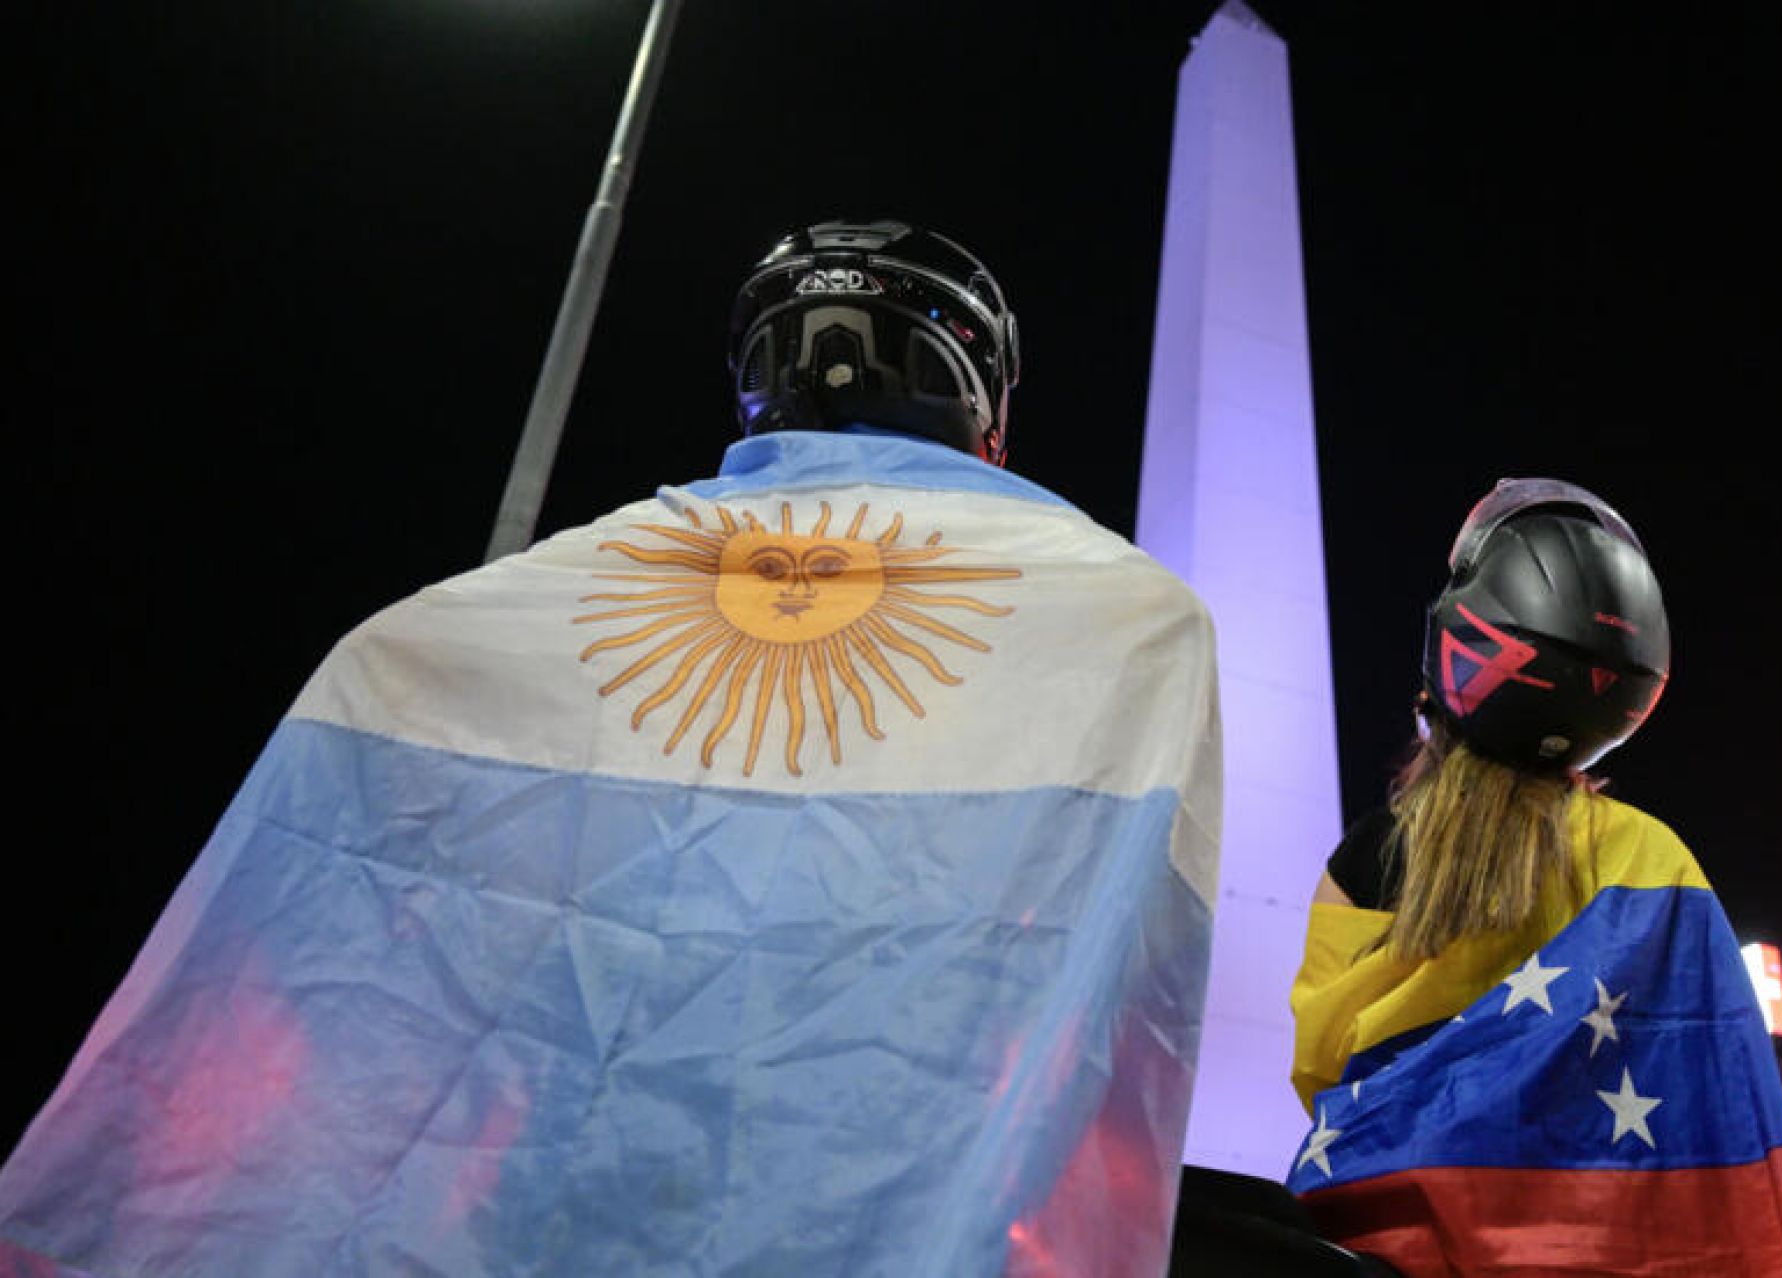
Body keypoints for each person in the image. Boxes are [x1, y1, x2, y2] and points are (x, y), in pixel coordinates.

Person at [0, 219, 1223, 1278]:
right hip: (888, 1216)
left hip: (503, 1212)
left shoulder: (454, 628)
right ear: (987, 418)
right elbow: (1115, 1018)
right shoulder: (1125, 618)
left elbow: (323, 973)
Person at [1282, 479, 1782, 1277]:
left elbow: (1322, 1063)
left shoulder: (1368, 856)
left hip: (1391, 1245)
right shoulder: (1652, 860)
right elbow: (1716, 1077)